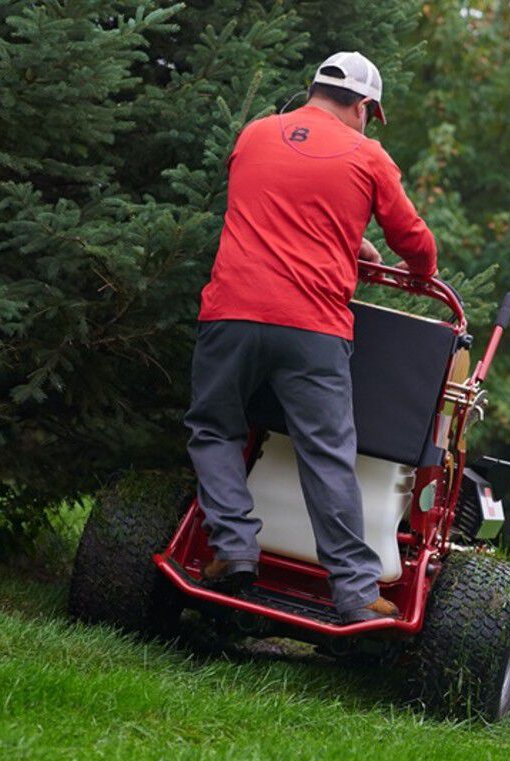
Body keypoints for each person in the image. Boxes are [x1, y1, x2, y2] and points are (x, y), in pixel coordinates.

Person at [184, 51, 437, 624]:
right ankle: (353, 592)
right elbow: (415, 243)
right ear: (364, 106)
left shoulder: (254, 135)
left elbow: (273, 213)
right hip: (312, 329)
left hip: (232, 313)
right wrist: (417, 270)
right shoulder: (368, 156)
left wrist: (349, 242)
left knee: (214, 428)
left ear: (315, 89)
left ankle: (234, 549)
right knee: (326, 454)